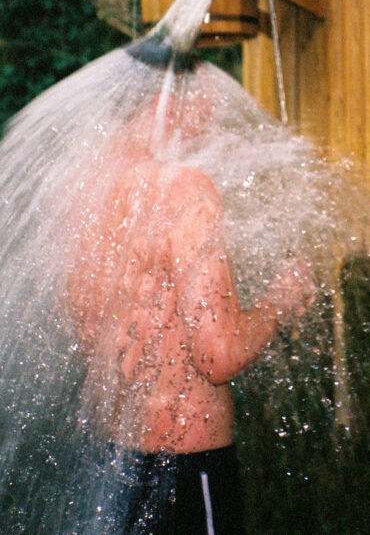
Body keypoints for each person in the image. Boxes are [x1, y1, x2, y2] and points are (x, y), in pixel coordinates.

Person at [65, 86, 315, 534]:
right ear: (168, 98)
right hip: (186, 466)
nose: (212, 117)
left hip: (110, 462)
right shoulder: (184, 189)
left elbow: (91, 330)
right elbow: (218, 355)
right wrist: (284, 298)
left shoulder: (87, 190)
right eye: (204, 98)